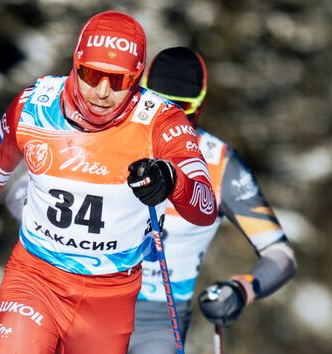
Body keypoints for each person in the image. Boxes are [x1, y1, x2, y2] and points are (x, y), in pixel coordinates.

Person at [0, 12, 218, 354]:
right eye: (93, 75)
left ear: (136, 80)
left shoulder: (160, 121)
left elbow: (204, 206)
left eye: (118, 81)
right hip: (35, 278)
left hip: (109, 297)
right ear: (76, 64)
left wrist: (172, 180)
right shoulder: (33, 107)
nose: (102, 92)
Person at [125, 47, 297, 353]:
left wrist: (241, 289)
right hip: (88, 299)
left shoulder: (220, 164)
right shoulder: (110, 140)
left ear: (200, 107)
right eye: (158, 104)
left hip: (158, 320)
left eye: (182, 108)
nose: (169, 118)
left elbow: (280, 253)